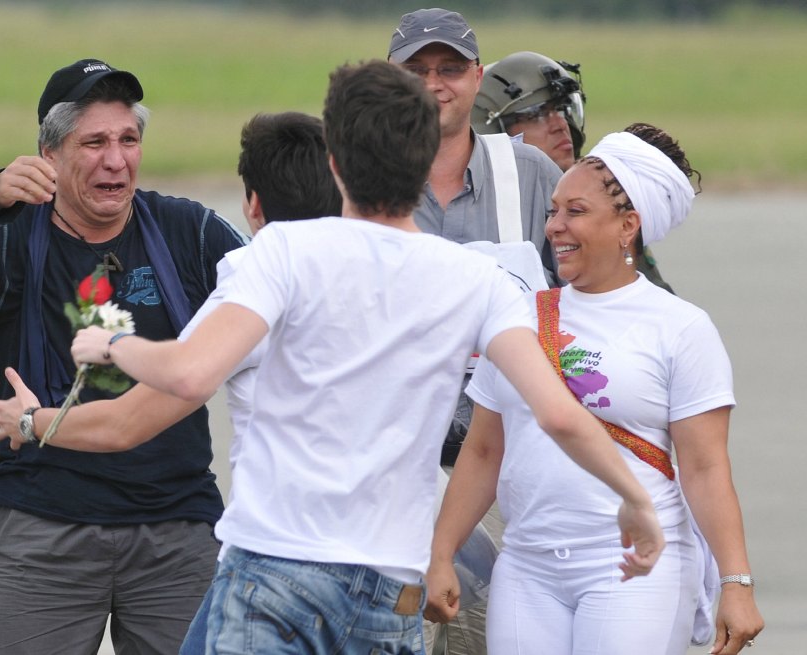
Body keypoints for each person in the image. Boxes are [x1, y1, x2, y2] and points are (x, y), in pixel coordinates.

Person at [69, 60, 664, 655]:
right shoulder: (476, 281)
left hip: (277, 575)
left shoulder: (285, 251)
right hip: (390, 593)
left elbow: (191, 372)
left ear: (337, 163)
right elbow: (557, 413)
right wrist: (635, 500)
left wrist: (112, 343)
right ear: (426, 157)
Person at [0, 58, 248, 654]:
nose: (116, 160)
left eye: (128, 140)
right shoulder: (9, 237)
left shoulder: (187, 231)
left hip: (177, 531)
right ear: (48, 154)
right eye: (94, 143)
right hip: (40, 530)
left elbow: (280, 288)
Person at [0, 110, 342, 654]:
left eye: (128, 139)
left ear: (254, 205)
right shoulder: (412, 276)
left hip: (280, 557)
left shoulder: (254, 290)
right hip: (386, 561)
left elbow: (139, 414)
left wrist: (37, 415)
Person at [426, 123, 765, 655]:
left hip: (634, 570)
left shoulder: (680, 327)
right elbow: (486, 449)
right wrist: (441, 553)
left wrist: (736, 584)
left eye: (575, 212)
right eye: (553, 209)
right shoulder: (517, 317)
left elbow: (704, 468)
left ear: (628, 225)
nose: (554, 226)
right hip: (527, 569)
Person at [387, 10, 564, 652]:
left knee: (476, 631)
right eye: (417, 71)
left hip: (506, 456)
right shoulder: (356, 179)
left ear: (478, 77)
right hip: (392, 457)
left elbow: (584, 302)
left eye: (451, 69)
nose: (435, 84)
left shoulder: (533, 176)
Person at [472, 50, 674, 292]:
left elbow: (647, 300)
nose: (560, 125)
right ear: (492, 129)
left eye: (561, 110)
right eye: (535, 115)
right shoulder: (476, 207)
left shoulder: (603, 202)